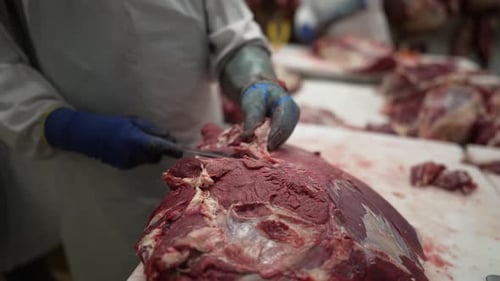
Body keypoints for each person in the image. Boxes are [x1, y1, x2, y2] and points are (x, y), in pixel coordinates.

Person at [0, 1, 300, 281]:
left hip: (210, 159)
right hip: (94, 183)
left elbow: (231, 25)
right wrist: (62, 125)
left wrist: (253, 74)